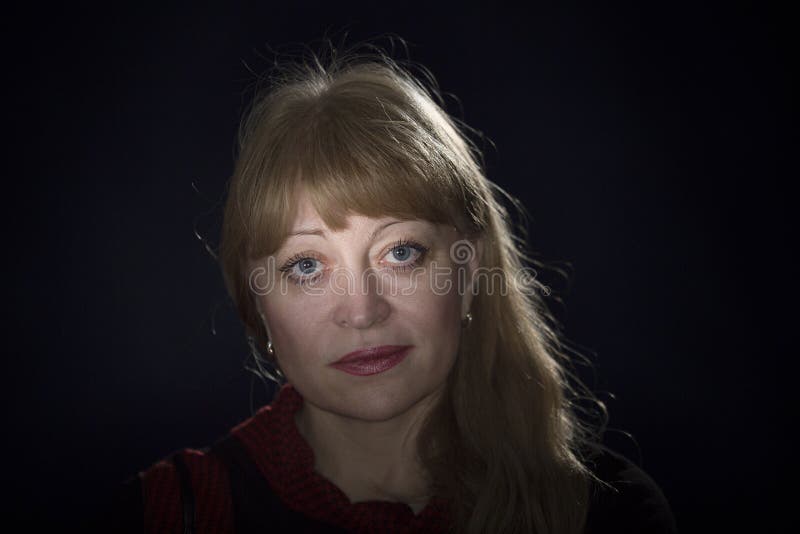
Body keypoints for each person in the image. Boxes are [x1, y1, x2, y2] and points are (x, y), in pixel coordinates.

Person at [108, 39, 678, 533]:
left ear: (469, 267)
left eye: (401, 253)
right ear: (257, 301)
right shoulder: (163, 516)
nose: (362, 312)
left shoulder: (607, 514)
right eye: (306, 266)